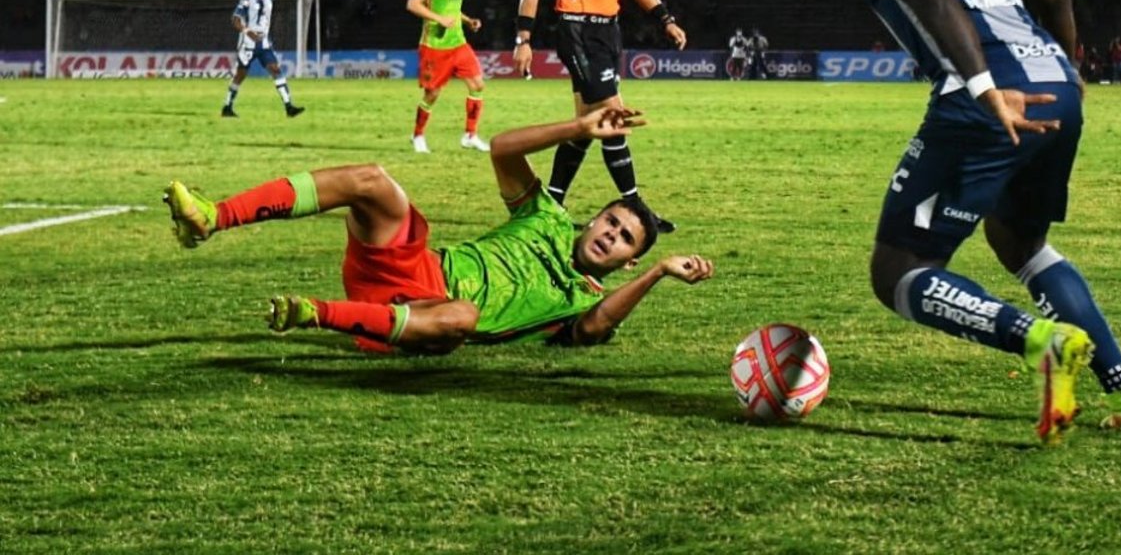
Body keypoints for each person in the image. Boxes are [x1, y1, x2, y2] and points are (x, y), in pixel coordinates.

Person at [796, 0, 1121, 443]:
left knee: (898, 268)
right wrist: (1068, 71)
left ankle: (1042, 341)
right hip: (1052, 83)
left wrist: (985, 87)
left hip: (989, 95)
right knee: (1021, 243)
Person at [163, 107, 714, 352]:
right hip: (416, 266)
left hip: (424, 318)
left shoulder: (583, 300)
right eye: (611, 221)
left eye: (624, 240)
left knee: (463, 317)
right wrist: (578, 128)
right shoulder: (545, 216)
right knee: (372, 180)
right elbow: (502, 148)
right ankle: (213, 217)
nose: (610, 235)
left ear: (628, 262)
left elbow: (595, 328)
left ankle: (314, 313)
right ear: (594, 216)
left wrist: (660, 273)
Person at [512, 0, 686, 232]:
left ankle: (551, 205)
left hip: (609, 33)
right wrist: (523, 39)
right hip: (575, 31)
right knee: (613, 117)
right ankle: (636, 208)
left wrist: (666, 19)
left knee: (585, 127)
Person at [406, 0, 487, 154]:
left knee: (477, 85)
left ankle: (470, 135)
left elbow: (453, 10)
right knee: (432, 95)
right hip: (435, 45)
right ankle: (418, 136)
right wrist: (439, 19)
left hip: (458, 43)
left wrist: (468, 21)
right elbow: (413, 4)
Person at [221, 0, 304, 119]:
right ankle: (227, 106)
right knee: (240, 75)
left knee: (276, 69)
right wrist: (247, 31)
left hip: (264, 44)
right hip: (248, 43)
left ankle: (289, 107)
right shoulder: (246, 0)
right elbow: (235, 20)